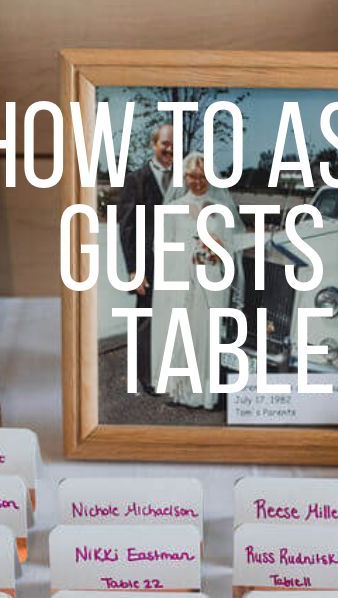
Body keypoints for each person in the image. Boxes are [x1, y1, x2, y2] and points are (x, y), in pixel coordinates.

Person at [151, 152, 245, 410]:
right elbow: (162, 248)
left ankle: (205, 393)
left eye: (202, 176)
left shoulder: (220, 209)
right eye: (192, 176)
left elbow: (231, 246)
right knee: (183, 334)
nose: (198, 181)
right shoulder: (172, 208)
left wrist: (217, 249)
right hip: (181, 281)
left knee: (205, 334)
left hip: (211, 280)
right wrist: (187, 255)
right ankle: (180, 390)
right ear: (184, 177)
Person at [118, 123, 173, 393]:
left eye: (174, 143)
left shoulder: (184, 180)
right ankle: (146, 377)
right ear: (154, 145)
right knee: (147, 321)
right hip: (147, 265)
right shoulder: (136, 180)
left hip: (177, 264)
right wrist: (133, 270)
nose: (170, 148)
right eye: (165, 143)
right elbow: (127, 227)